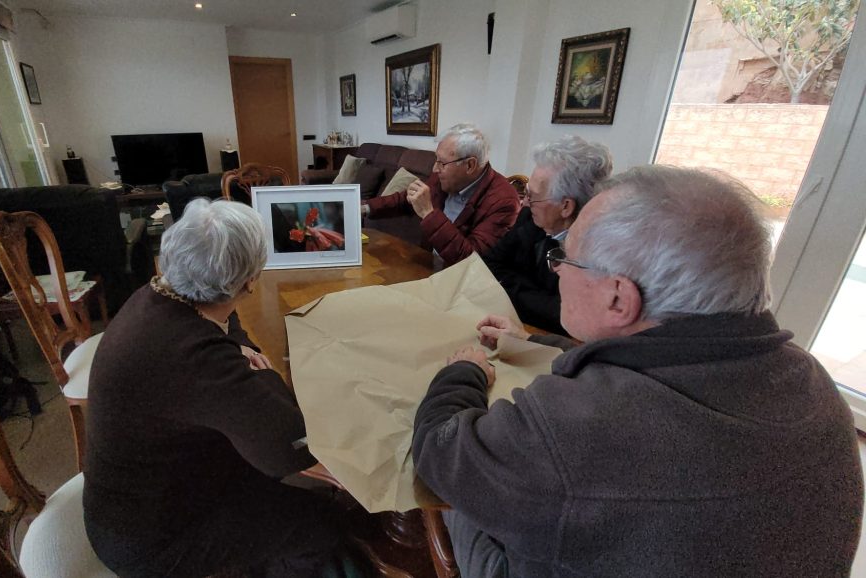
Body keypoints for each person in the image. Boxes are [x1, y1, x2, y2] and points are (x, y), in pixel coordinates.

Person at [412, 166, 863, 577]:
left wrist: (465, 373)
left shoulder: (574, 424)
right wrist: (533, 342)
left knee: (454, 502)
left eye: (563, 259)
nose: (559, 273)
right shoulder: (814, 381)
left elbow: (439, 451)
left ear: (618, 299)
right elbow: (660, 359)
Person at [84, 198, 344, 578]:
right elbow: (287, 449)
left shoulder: (163, 293)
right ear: (250, 282)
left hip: (138, 495)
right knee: (323, 523)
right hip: (154, 538)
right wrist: (262, 371)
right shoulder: (196, 356)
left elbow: (229, 320)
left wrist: (245, 353)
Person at [484, 135, 612, 334]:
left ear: (566, 207)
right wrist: (532, 296)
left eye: (533, 196)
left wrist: (514, 290)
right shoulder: (530, 217)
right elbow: (490, 265)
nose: (525, 203)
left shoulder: (601, 249)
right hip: (512, 326)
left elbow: (566, 316)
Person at [362, 123, 519, 267]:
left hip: (460, 283)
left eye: (442, 163)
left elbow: (470, 261)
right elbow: (405, 199)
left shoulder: (504, 201)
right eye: (436, 160)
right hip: (429, 266)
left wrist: (428, 214)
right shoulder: (443, 179)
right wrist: (365, 208)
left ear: (470, 165)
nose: (435, 169)